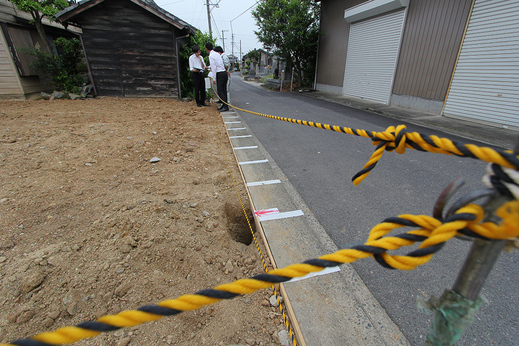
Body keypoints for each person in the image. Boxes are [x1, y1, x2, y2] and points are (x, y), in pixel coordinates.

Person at [206, 42, 229, 112]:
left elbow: (214, 67)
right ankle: (224, 105)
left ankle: (225, 106)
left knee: (220, 90)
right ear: (212, 47)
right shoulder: (217, 54)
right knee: (224, 90)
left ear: (207, 49)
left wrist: (214, 78)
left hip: (220, 74)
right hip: (224, 73)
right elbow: (218, 64)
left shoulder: (211, 56)